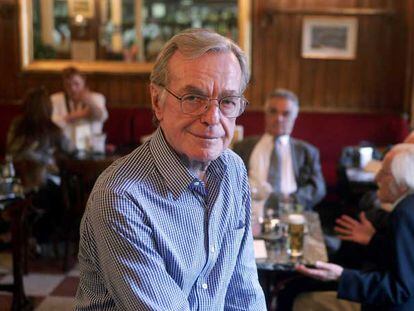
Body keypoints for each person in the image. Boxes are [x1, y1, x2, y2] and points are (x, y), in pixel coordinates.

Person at [75, 28, 266, 310]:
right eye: (193, 98)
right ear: (157, 101)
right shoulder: (120, 196)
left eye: (226, 102)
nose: (212, 118)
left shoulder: (233, 170)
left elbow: (244, 292)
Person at [297, 143, 414, 310]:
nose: (376, 178)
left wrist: (341, 276)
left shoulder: (404, 214)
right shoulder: (407, 207)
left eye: (385, 173)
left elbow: (399, 289)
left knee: (302, 301)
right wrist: (373, 240)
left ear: (402, 184)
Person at [233, 89, 326, 211]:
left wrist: (291, 201)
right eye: (273, 112)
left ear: (294, 117)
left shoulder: (307, 151)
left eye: (286, 114)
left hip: (291, 209)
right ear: (265, 114)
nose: (279, 118)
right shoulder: (243, 146)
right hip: (249, 209)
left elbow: (318, 188)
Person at [6, 86, 69, 244]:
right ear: (48, 108)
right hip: (43, 186)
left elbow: (10, 150)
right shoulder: (53, 129)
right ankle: (42, 239)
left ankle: (18, 235)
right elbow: (71, 150)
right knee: (65, 193)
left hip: (14, 184)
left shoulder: (17, 125)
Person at [50, 66, 108, 151]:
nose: (73, 88)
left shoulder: (97, 98)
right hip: (63, 149)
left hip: (91, 149)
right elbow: (52, 124)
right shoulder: (55, 99)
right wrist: (75, 116)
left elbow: (102, 117)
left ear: (83, 82)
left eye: (76, 84)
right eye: (68, 85)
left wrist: (90, 103)